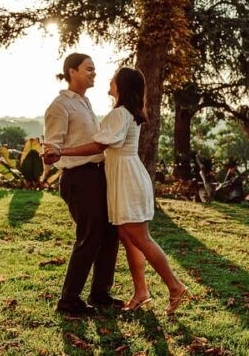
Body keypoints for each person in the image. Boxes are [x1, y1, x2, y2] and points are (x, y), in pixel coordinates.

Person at [46, 67, 189, 315]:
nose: (107, 82)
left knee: (139, 237)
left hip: (126, 179)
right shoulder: (127, 113)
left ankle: (175, 286)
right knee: (127, 235)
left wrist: (62, 152)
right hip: (125, 176)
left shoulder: (119, 114)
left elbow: (99, 145)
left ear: (121, 86)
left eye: (112, 79)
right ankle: (141, 292)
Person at [43, 53, 121, 315]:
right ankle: (69, 299)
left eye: (94, 70)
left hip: (98, 174)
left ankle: (100, 293)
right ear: (72, 71)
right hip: (78, 178)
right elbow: (53, 142)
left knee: (110, 233)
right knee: (89, 235)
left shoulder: (85, 102)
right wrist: (52, 152)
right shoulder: (60, 106)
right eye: (88, 69)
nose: (93, 73)